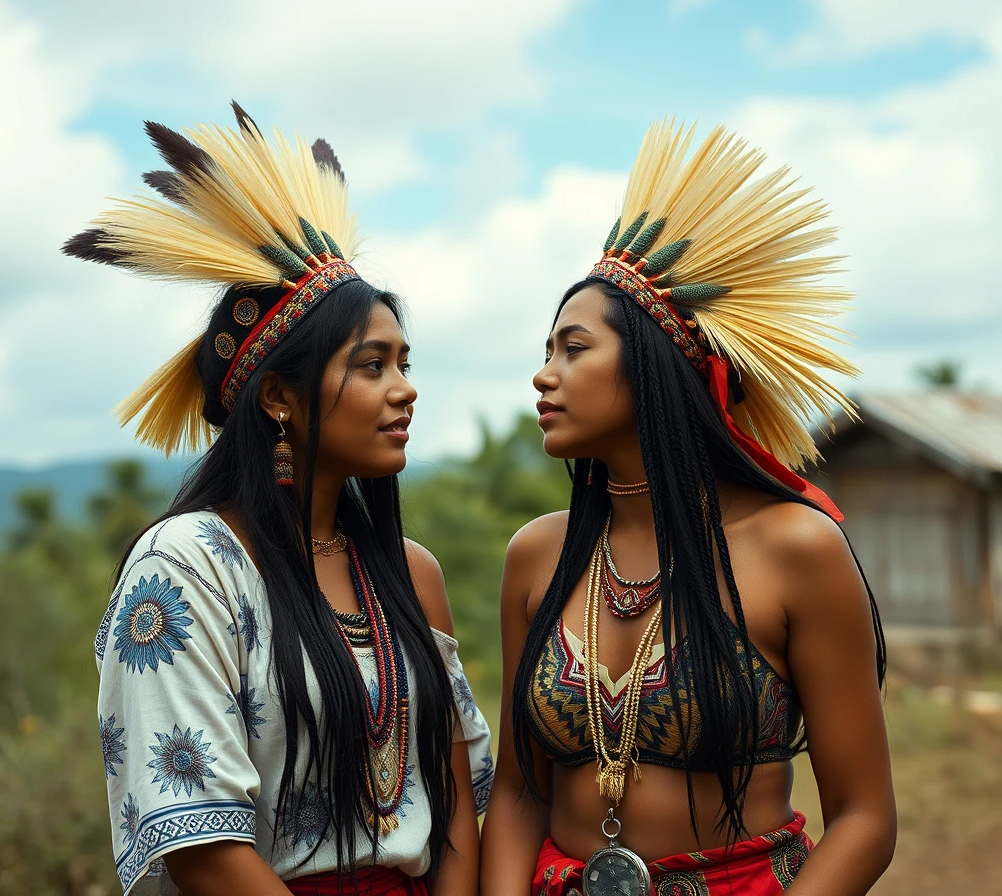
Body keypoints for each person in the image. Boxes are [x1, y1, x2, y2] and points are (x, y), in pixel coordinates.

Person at [65, 105, 493, 896]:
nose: (406, 390)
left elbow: (457, 803)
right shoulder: (184, 570)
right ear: (278, 400)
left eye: (404, 361)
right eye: (373, 365)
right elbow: (202, 846)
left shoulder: (408, 571)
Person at [481, 119, 895, 895]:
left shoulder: (796, 549)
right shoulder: (537, 555)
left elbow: (865, 817)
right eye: (545, 352)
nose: (544, 375)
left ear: (654, 369)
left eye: (573, 349)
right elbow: (517, 793)